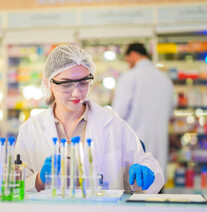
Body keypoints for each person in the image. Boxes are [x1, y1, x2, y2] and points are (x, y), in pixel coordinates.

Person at [14, 44, 164, 194]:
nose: (76, 93)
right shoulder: (30, 130)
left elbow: (150, 168)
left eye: (83, 82)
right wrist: (39, 179)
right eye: (66, 84)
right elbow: (15, 186)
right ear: (49, 83)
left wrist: (146, 171)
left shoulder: (112, 124)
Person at [112, 43, 174, 179]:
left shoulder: (129, 77)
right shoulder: (165, 79)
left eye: (127, 58)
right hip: (159, 148)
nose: (127, 63)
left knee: (136, 190)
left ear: (133, 54)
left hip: (136, 150)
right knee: (156, 189)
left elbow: (118, 114)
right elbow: (171, 110)